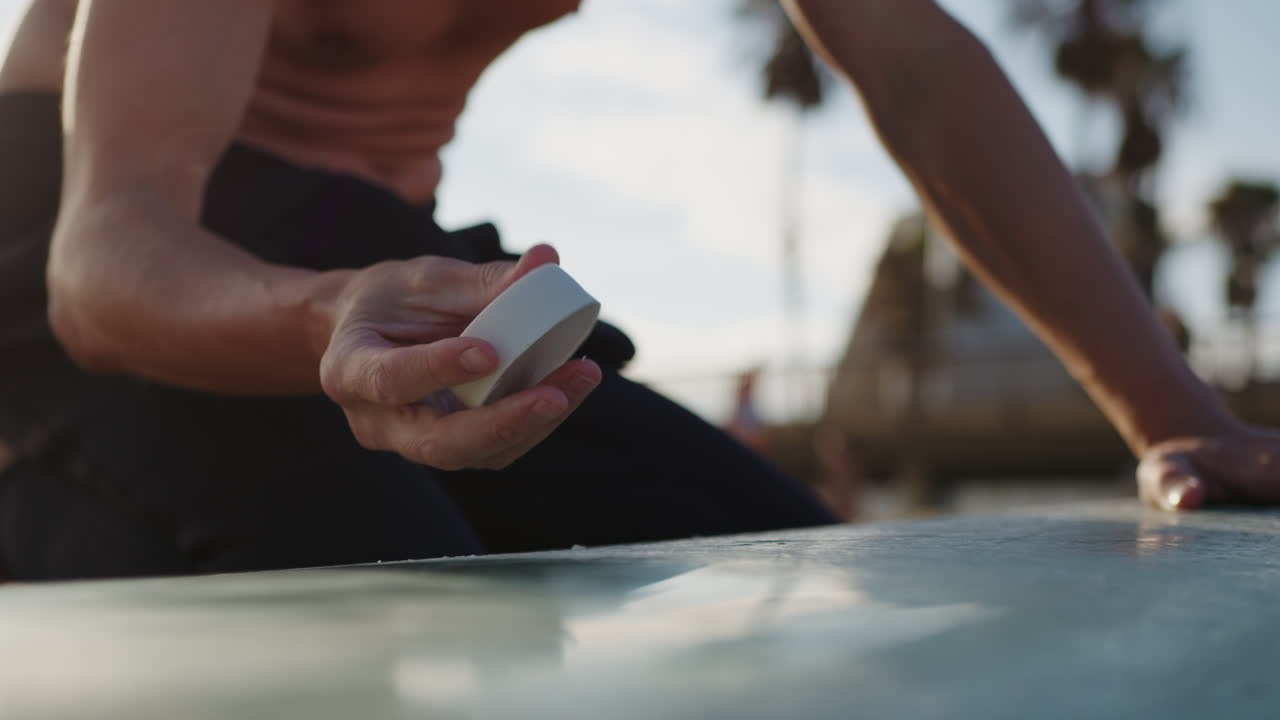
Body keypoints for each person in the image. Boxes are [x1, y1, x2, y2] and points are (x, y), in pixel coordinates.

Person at [0, 0, 1275, 581]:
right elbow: (100, 261)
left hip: (383, 257)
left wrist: (1170, 413)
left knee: (798, 584)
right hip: (85, 247)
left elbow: (913, 60)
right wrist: (323, 314)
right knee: (397, 597)